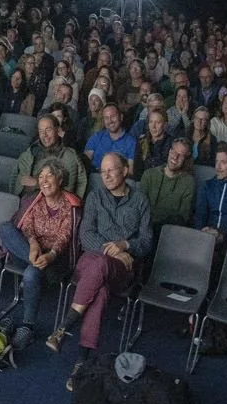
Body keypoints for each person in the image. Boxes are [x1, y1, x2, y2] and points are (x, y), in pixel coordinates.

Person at [45, 153, 152, 365]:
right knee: (100, 290)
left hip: (122, 269)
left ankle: (64, 327)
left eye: (111, 170)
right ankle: (82, 362)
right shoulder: (95, 197)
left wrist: (125, 245)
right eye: (103, 171)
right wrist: (113, 251)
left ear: (124, 171)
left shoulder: (140, 200)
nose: (107, 175)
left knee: (102, 268)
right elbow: (86, 235)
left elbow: (147, 241)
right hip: (91, 260)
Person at [0, 162, 82, 350]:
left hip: (56, 261)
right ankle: (33, 264)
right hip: (31, 252)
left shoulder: (71, 206)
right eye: (41, 177)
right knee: (6, 228)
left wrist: (50, 255)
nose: (44, 181)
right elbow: (27, 226)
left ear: (60, 179)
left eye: (49, 176)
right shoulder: (35, 199)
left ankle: (27, 326)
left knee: (32, 274)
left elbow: (65, 236)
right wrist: (33, 245)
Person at [14, 114, 89, 200]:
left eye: (48, 130)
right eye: (41, 131)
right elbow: (19, 184)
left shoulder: (69, 156)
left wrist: (37, 183)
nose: (44, 135)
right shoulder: (30, 153)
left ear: (58, 130)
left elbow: (68, 192)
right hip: (27, 202)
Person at [140, 136, 196, 229]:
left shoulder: (188, 182)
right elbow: (139, 206)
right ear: (169, 151)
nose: (175, 157)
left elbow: (183, 216)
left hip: (169, 230)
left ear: (186, 159)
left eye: (181, 155)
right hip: (144, 226)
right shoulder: (149, 174)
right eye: (173, 151)